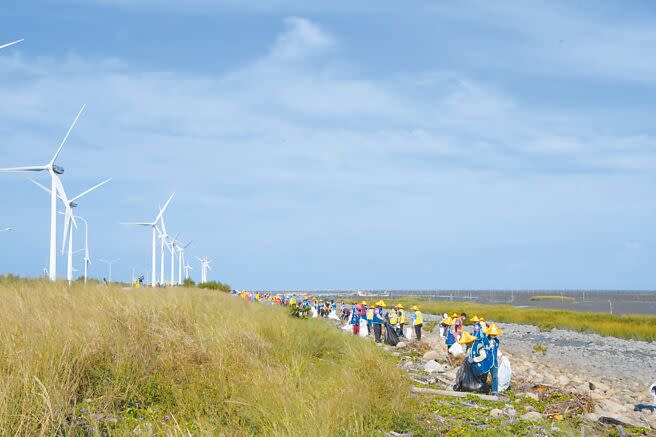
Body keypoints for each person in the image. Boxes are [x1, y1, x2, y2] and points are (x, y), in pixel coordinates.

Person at [484, 324, 503, 396]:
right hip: (486, 362)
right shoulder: (485, 340)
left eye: (495, 334)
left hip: (494, 362)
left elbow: (496, 350)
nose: (494, 335)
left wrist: (501, 356)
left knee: (495, 376)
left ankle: (495, 391)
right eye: (493, 334)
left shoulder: (497, 341)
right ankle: (483, 390)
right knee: (484, 376)